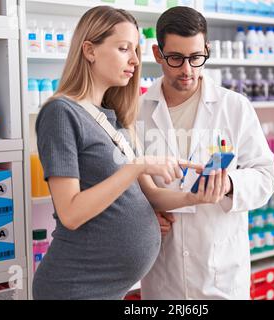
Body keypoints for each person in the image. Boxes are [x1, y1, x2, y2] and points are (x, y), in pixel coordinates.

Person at [32, 6, 229, 300]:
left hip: (111, 289)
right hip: (74, 287)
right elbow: (70, 213)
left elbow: (151, 195)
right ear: (89, 50)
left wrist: (193, 197)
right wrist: (136, 167)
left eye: (135, 50)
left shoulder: (113, 119)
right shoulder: (61, 113)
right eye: (124, 48)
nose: (135, 61)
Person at [138, 6, 274, 300]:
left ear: (207, 50)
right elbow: (127, 183)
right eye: (175, 58)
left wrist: (229, 185)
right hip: (163, 275)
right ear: (157, 53)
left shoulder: (234, 107)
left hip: (221, 275)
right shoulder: (137, 111)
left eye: (196, 57)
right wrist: (145, 214)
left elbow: (266, 177)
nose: (187, 69)